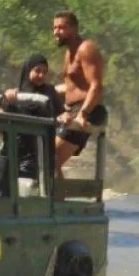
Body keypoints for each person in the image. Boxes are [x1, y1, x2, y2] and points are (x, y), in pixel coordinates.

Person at [52, 10, 106, 176]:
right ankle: (56, 199)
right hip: (70, 110)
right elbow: (71, 87)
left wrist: (83, 114)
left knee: (50, 160)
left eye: (62, 27)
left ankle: (57, 201)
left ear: (74, 29)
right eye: (54, 28)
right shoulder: (69, 52)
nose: (56, 32)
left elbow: (96, 86)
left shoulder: (86, 49)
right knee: (47, 160)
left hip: (88, 111)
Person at [4, 53, 61, 180]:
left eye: (45, 72)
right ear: (28, 70)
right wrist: (8, 99)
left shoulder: (50, 92)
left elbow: (61, 112)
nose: (41, 75)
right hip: (15, 156)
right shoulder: (16, 95)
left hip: (41, 159)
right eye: (37, 70)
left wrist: (66, 116)